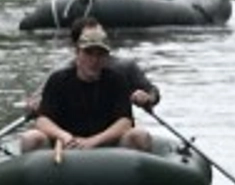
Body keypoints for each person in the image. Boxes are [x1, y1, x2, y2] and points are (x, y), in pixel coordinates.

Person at [24, 22, 156, 156]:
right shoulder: (58, 79)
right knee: (31, 138)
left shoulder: (117, 80)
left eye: (100, 54)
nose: (94, 60)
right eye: (88, 53)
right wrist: (64, 136)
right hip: (66, 145)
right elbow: (43, 120)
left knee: (140, 136)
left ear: (106, 57)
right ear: (77, 53)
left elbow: (125, 122)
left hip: (108, 146)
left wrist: (92, 142)